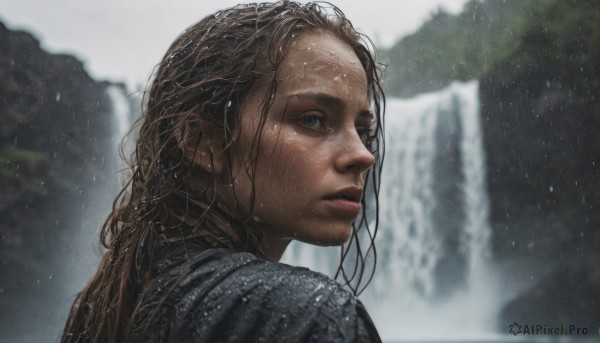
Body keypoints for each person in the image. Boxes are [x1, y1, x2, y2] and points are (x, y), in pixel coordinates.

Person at [62, 1, 385, 342]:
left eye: (363, 131)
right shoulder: (307, 318)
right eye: (312, 120)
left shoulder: (108, 310)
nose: (363, 155)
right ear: (203, 142)